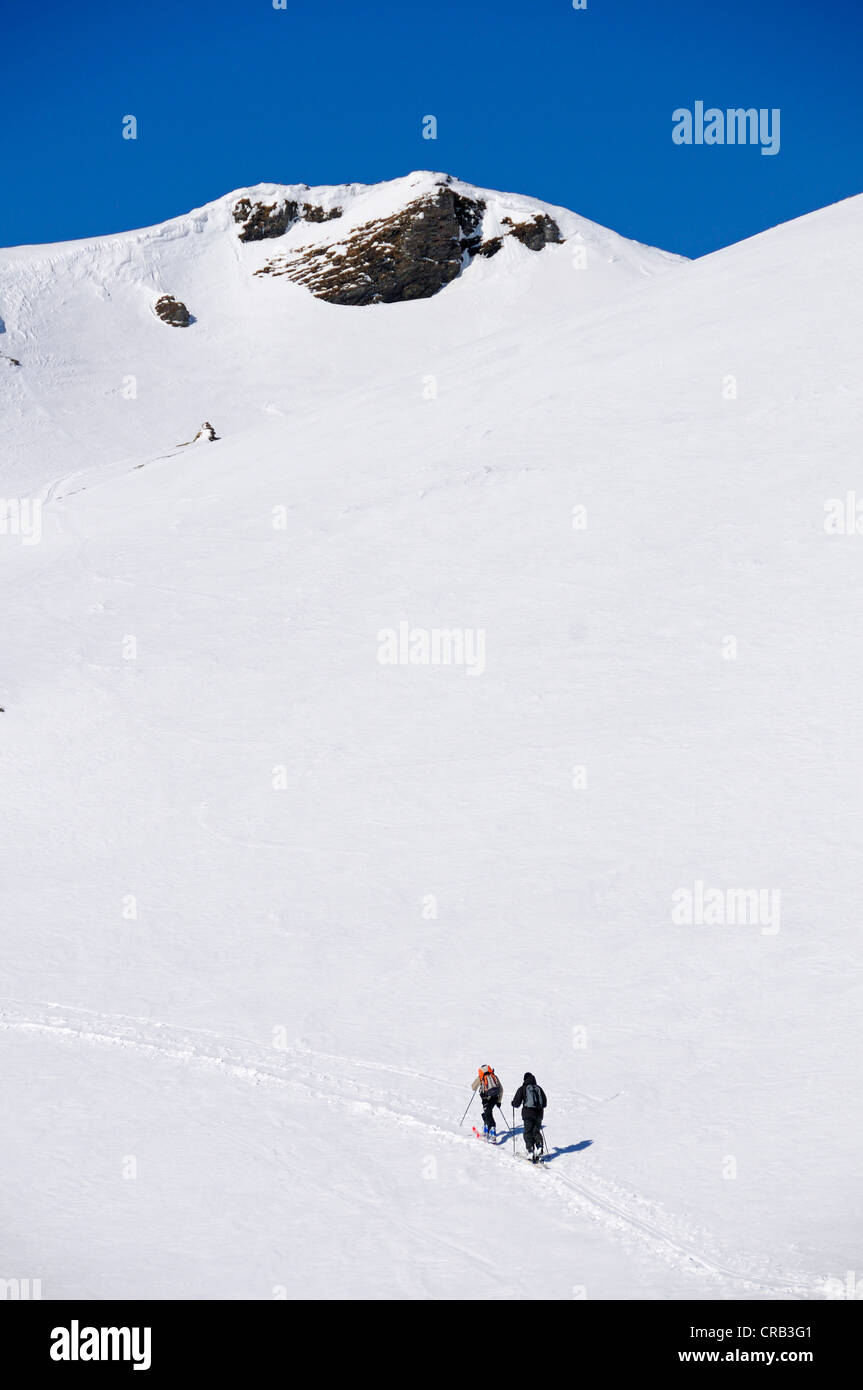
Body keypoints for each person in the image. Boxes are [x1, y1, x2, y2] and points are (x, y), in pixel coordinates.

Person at [511, 1072, 547, 1162]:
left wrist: (513, 1103)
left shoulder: (523, 1088)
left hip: (527, 1113)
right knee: (536, 1131)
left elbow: (516, 1103)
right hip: (539, 1114)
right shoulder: (539, 1088)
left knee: (528, 1132)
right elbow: (545, 1103)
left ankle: (530, 1150)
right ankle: (539, 1146)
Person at [471, 1065, 503, 1139]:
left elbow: (473, 1087)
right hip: (495, 1098)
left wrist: (479, 1080)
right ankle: (486, 1128)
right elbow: (501, 1090)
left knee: (487, 1113)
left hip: (485, 1098)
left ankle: (492, 1130)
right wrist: (499, 1101)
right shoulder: (494, 1076)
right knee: (488, 1112)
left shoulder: (481, 1077)